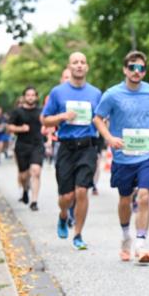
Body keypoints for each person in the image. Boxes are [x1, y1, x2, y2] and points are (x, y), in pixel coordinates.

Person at [94, 51, 149, 264]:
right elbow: (97, 118)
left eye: (141, 68)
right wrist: (109, 138)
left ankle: (141, 244)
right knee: (124, 200)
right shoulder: (112, 94)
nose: (136, 72)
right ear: (125, 69)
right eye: (132, 67)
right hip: (123, 157)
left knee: (144, 196)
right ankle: (125, 236)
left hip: (147, 155)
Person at [41, 53, 102, 250]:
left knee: (82, 191)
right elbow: (45, 119)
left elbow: (101, 118)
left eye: (82, 62)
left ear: (87, 67)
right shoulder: (58, 92)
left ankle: (78, 234)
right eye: (75, 62)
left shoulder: (95, 94)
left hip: (87, 147)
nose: (79, 65)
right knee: (66, 197)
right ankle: (63, 215)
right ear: (69, 66)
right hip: (66, 147)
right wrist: (62, 116)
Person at [8, 86, 45, 211]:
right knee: (23, 176)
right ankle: (25, 189)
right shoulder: (17, 112)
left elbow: (47, 124)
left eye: (33, 95)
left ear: (36, 97)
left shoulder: (41, 111)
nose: (30, 97)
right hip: (22, 146)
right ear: (24, 97)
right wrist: (20, 129)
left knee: (36, 171)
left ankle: (34, 202)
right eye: (28, 95)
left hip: (37, 144)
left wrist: (47, 130)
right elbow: (9, 128)